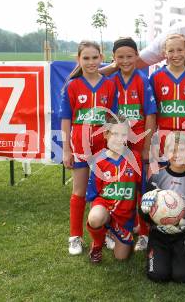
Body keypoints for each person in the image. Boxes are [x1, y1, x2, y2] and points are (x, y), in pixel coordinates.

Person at [59, 40, 118, 255]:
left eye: (95, 57)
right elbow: (66, 119)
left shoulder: (110, 85)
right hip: (81, 147)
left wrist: (115, 147)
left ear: (102, 58)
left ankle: (107, 231)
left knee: (106, 190)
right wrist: (66, 149)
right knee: (80, 191)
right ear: (78, 60)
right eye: (86, 58)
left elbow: (113, 119)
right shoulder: (72, 86)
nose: (91, 62)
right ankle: (75, 237)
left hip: (105, 148)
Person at [139, 131, 185, 283]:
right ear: (164, 152)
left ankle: (184, 256)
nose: (177, 154)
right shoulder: (157, 177)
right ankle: (160, 254)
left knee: (183, 276)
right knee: (157, 275)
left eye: (181, 150)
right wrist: (144, 209)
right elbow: (145, 212)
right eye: (172, 150)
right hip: (160, 234)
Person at [110, 37, 157, 251]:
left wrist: (146, 146)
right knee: (117, 186)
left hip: (137, 142)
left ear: (137, 56)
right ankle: (116, 229)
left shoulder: (142, 80)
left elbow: (150, 114)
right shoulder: (111, 80)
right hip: (117, 143)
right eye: (120, 57)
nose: (126, 60)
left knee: (141, 189)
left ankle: (144, 233)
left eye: (130, 56)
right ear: (114, 59)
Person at [85, 114, 142, 263]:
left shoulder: (134, 157)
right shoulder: (99, 160)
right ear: (106, 134)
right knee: (95, 217)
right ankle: (98, 243)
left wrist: (140, 224)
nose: (119, 138)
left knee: (121, 257)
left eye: (123, 134)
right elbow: (92, 196)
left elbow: (141, 190)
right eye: (115, 133)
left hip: (124, 217)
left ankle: (116, 231)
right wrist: (96, 221)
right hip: (105, 208)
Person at [149, 33, 185, 158]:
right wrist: (152, 141)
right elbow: (152, 113)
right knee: (164, 174)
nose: (176, 54)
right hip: (164, 136)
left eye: (180, 50)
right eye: (171, 51)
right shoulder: (156, 77)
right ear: (165, 53)